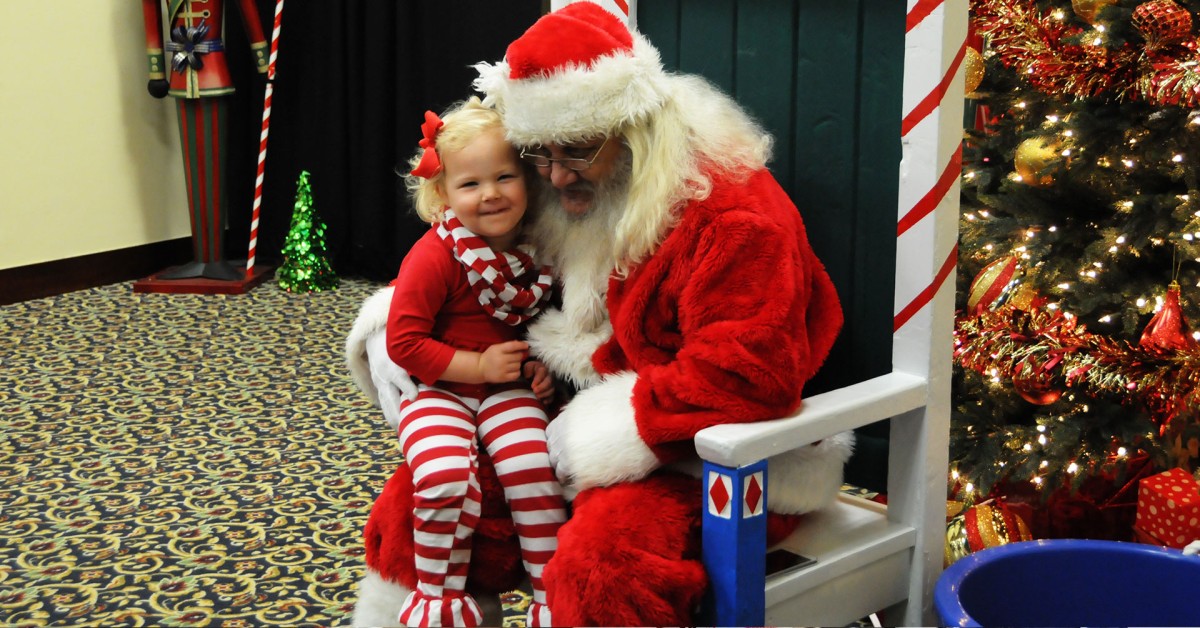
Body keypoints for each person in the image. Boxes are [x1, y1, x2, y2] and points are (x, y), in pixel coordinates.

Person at [349, 3, 854, 625]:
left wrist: (608, 428)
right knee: (415, 509)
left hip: (710, 453)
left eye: (579, 152)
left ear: (638, 131)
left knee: (601, 567)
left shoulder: (730, 217)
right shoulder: (571, 183)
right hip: (555, 418)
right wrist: (396, 328)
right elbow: (463, 259)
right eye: (539, 154)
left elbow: (748, 373)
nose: (556, 177)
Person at [364, 98, 566, 628]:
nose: (492, 194)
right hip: (438, 389)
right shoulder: (435, 255)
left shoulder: (539, 252)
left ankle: (553, 597)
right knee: (443, 474)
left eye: (504, 176)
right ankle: (441, 602)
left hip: (507, 392)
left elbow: (544, 327)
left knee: (534, 470)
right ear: (443, 194)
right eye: (470, 184)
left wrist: (540, 368)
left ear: (528, 179)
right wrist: (476, 369)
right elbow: (403, 344)